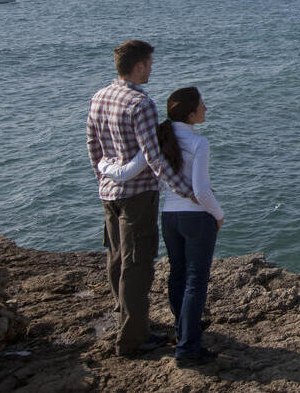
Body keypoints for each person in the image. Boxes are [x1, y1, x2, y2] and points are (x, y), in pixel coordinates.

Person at [86, 40, 195, 357]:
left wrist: (103, 181)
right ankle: (132, 339)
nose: (151, 68)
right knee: (137, 265)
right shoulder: (140, 105)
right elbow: (154, 157)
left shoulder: (99, 97)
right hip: (137, 196)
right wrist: (184, 190)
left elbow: (93, 147)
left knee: (117, 259)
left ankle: (127, 321)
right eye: (149, 64)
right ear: (138, 67)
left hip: (110, 193)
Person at [100, 87, 224, 366]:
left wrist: (104, 166)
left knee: (177, 275)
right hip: (196, 217)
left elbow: (130, 170)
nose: (206, 108)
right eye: (203, 105)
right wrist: (218, 214)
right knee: (196, 281)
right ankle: (189, 347)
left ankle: (182, 332)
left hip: (169, 216)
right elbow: (201, 192)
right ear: (191, 113)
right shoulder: (199, 143)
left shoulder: (159, 137)